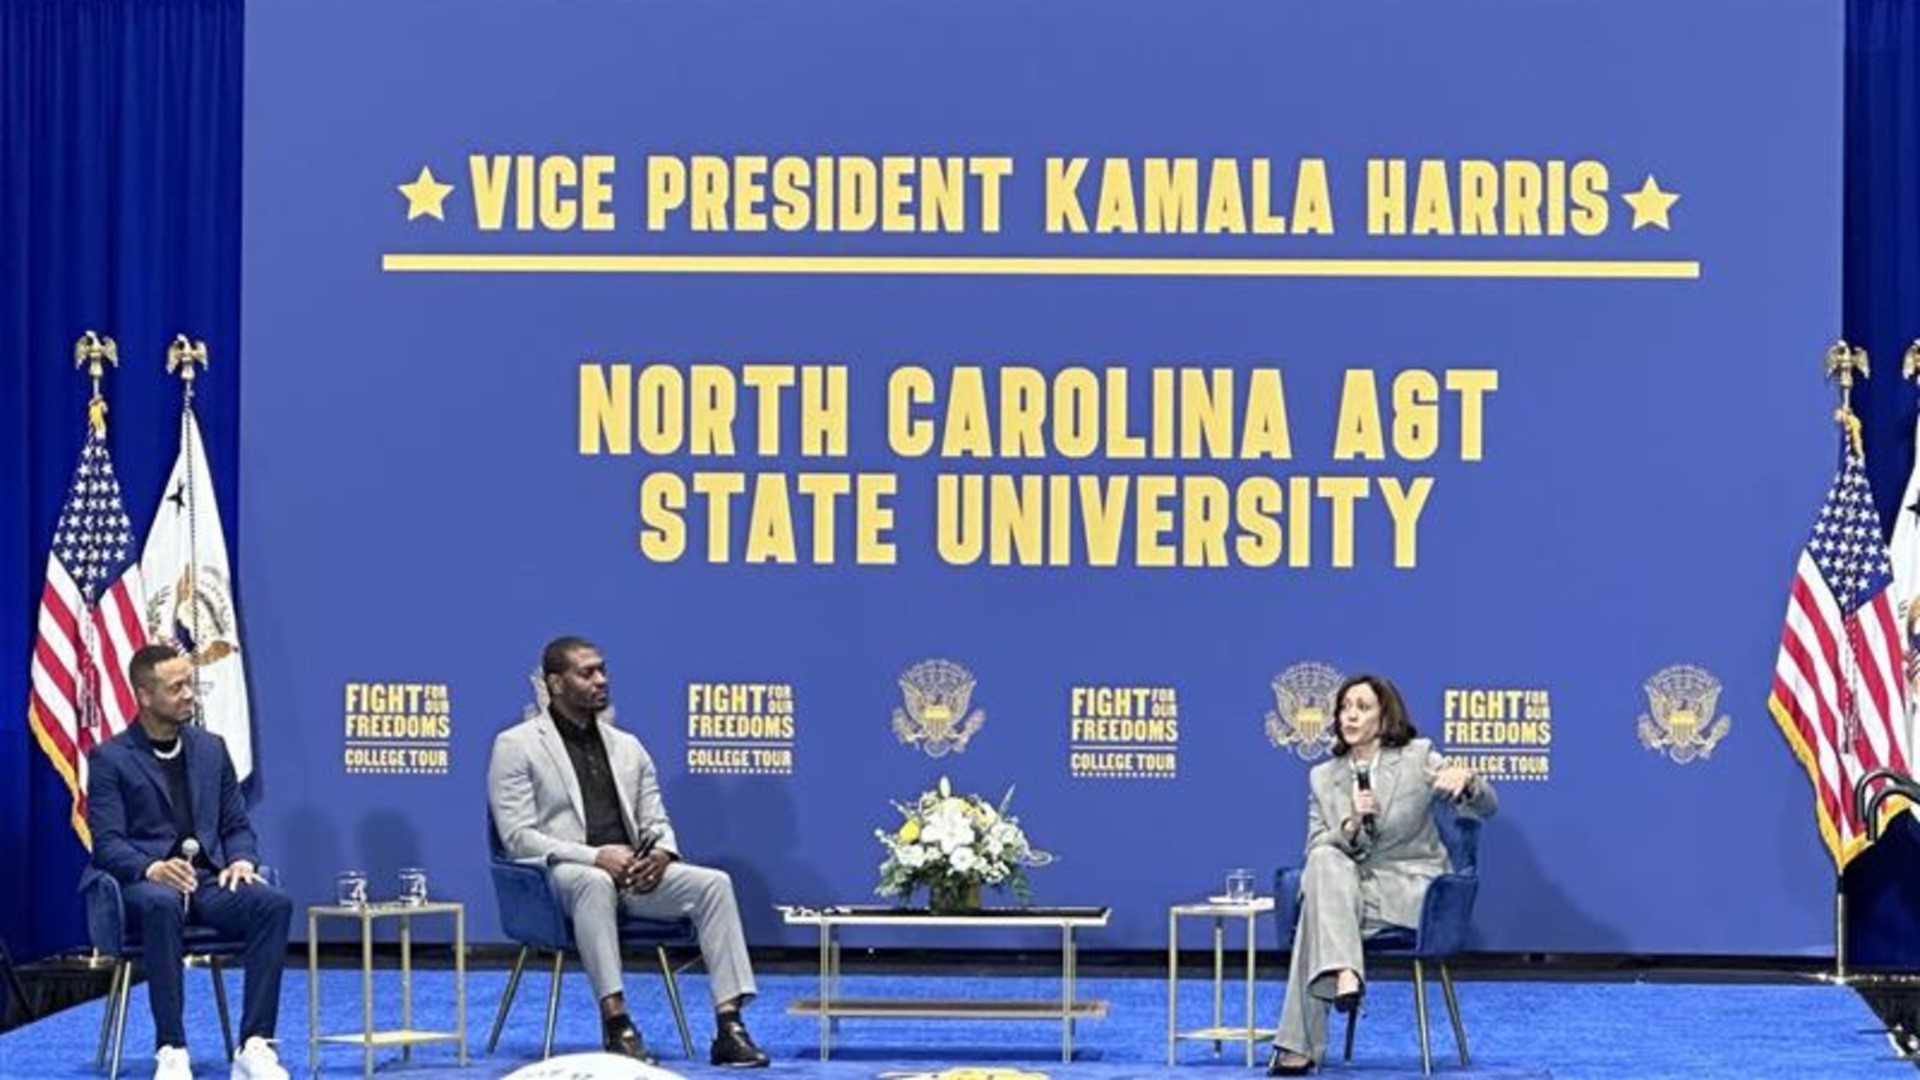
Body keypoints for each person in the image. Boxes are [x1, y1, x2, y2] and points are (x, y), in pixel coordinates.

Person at [487, 636, 769, 1067]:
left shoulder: (628, 746)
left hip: (633, 875)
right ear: (556, 684)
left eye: (602, 669)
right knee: (594, 882)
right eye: (587, 673)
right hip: (558, 877)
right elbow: (518, 838)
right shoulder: (517, 744)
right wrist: (596, 856)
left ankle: (729, 1027)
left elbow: (656, 821)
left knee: (715, 885)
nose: (601, 680)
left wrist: (660, 856)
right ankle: (617, 1022)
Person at [1267, 673, 1497, 1076]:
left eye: (1362, 707)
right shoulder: (1323, 776)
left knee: (1315, 914)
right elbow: (1317, 844)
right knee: (1323, 860)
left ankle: (1299, 1046)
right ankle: (1345, 972)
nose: (1350, 716)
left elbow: (1487, 807)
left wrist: (1468, 781)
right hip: (1348, 892)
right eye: (1344, 707)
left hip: (1410, 893)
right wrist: (1352, 823)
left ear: (1383, 714)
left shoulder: (1417, 755)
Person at [84, 644, 292, 1080]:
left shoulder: (211, 749)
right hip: (147, 886)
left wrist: (241, 860)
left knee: (272, 903)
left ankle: (254, 1045)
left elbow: (236, 824)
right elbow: (107, 844)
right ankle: (172, 1048)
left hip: (207, 881)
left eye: (189, 684)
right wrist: (151, 868)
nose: (188, 694)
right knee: (161, 903)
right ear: (144, 695)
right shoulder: (111, 759)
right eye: (176, 686)